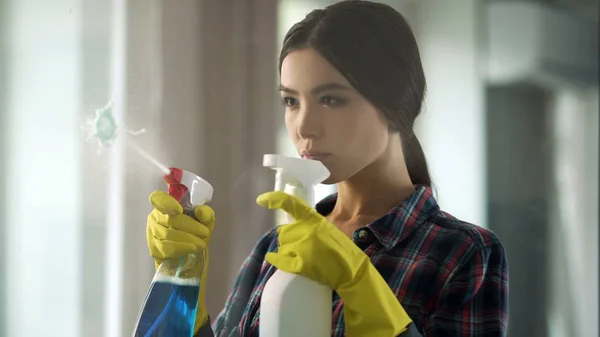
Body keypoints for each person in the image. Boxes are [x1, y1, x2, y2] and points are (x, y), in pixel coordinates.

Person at [146, 1, 509, 336]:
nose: (303, 127)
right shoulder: (276, 247)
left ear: (396, 101)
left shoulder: (464, 253)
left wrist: (361, 286)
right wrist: (182, 284)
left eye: (331, 99)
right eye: (291, 100)